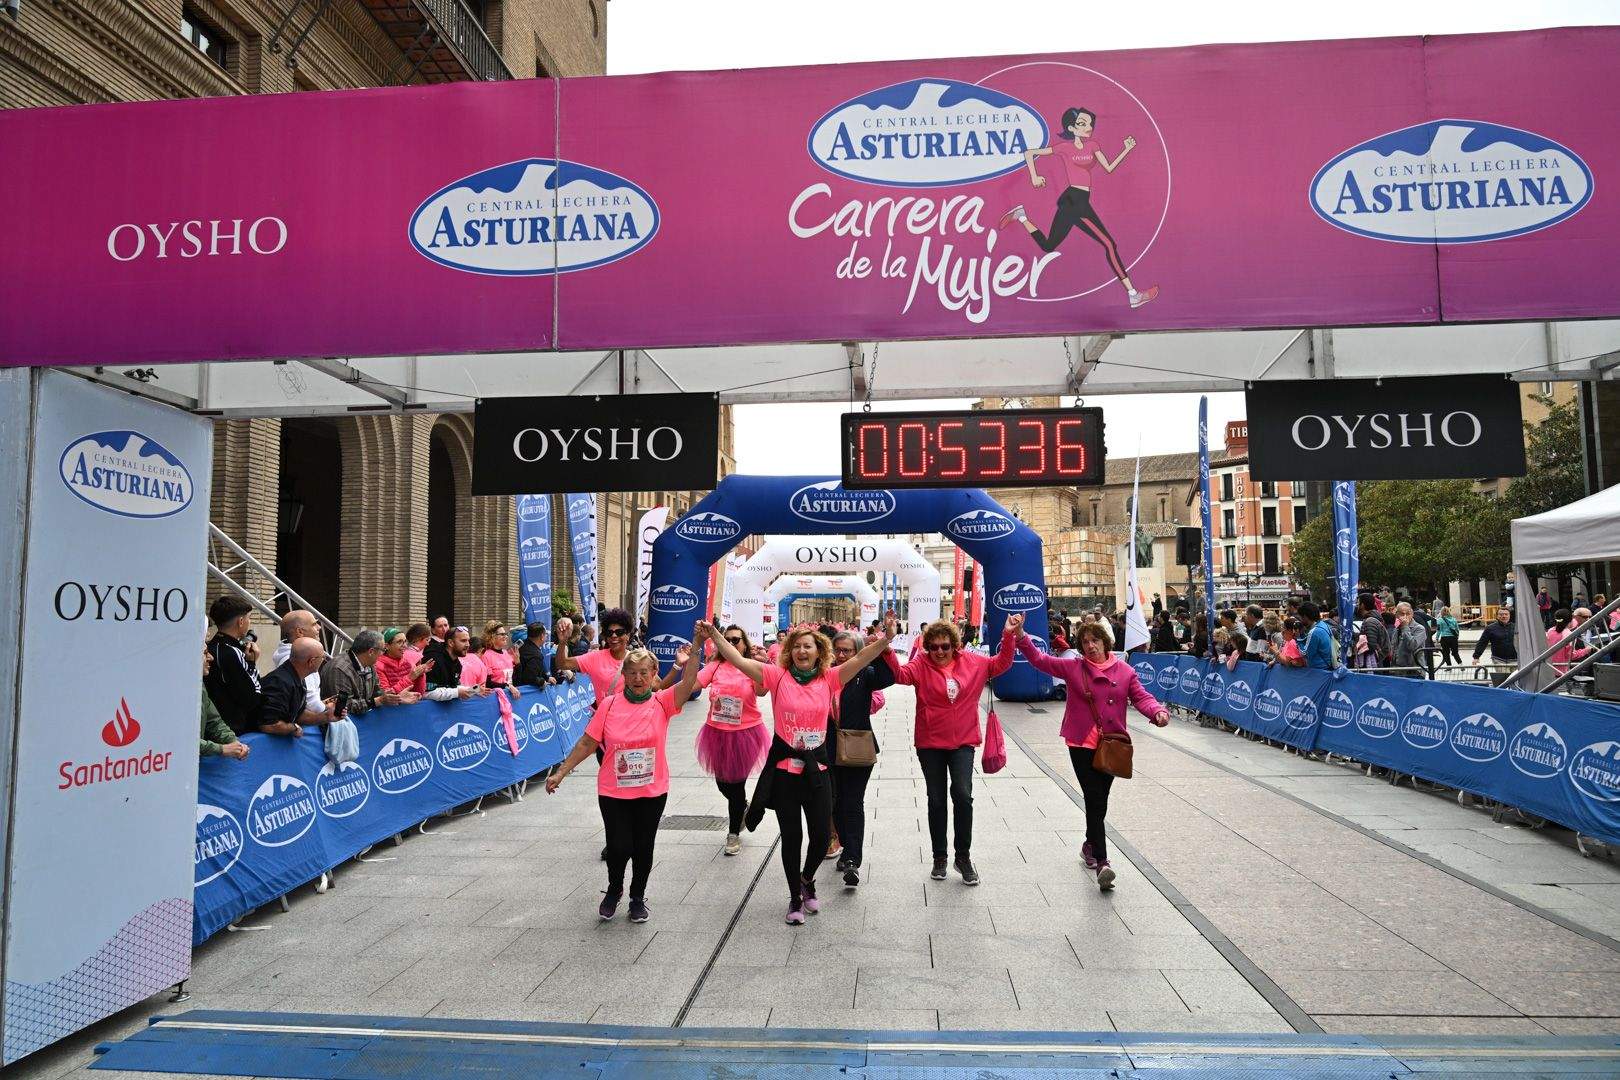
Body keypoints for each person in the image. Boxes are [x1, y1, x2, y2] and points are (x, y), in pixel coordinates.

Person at [708, 617, 896, 924]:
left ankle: (807, 878)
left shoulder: (830, 678)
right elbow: (737, 659)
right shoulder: (776, 676)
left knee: (821, 836)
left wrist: (886, 639)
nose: (801, 651)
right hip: (785, 771)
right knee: (792, 837)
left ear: (819, 651)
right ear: (788, 652)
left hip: (817, 768)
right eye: (796, 646)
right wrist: (715, 634)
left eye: (807, 646)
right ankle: (795, 896)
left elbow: (862, 657)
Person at [544, 629, 705, 924]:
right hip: (614, 790)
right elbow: (587, 742)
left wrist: (696, 647)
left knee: (644, 847)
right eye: (632, 673)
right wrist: (561, 772)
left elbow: (690, 683)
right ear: (624, 675)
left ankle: (636, 897)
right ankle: (615, 888)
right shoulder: (608, 704)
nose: (638, 678)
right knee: (618, 847)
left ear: (654, 674)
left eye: (644, 673)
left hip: (652, 790)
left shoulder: (662, 702)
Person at [1014, 619, 1167, 890]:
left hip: (1112, 744)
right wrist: (1021, 634)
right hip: (1081, 742)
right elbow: (1039, 659)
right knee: (1094, 798)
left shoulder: (1125, 671)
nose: (1090, 645)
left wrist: (1156, 712)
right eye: (1085, 642)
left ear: (1105, 642)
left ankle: (1089, 843)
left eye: (1095, 640)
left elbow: (1141, 696)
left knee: (1100, 801)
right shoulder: (1074, 667)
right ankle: (1103, 862)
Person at [883, 614, 1017, 888]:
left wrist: (1008, 635)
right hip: (930, 742)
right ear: (927, 647)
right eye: (934, 647)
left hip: (963, 741)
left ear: (955, 645)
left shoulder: (973, 663)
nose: (939, 652)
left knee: (963, 795)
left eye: (945, 646)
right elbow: (899, 674)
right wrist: (886, 643)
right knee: (936, 800)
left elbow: (1001, 664)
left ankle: (963, 857)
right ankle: (940, 856)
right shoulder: (920, 664)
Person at [1000, 106, 1158, 309]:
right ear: (1071, 128)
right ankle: (1133, 295)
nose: (1088, 128)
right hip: (1074, 200)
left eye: (1090, 124)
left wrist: (1126, 149)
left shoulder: (1093, 145)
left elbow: (1109, 168)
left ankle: (1021, 216)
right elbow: (1029, 153)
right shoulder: (1064, 148)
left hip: (1079, 201)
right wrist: (1034, 176)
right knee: (1109, 244)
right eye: (1082, 124)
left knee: (1048, 246)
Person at [693, 625, 771, 857]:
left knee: (735, 785)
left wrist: (764, 664)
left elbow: (762, 691)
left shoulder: (749, 666)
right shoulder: (714, 666)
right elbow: (693, 685)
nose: (730, 643)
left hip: (746, 734)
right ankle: (744, 808)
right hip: (716, 733)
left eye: (736, 640)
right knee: (723, 784)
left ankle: (733, 833)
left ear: (745, 644)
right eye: (726, 639)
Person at [829, 629, 896, 889]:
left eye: (848, 650)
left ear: (858, 653)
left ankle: (852, 861)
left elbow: (888, 677)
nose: (842, 655)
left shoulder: (865, 674)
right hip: (826, 747)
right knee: (833, 801)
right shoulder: (824, 674)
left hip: (857, 746)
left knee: (853, 801)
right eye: (839, 650)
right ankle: (846, 846)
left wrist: (880, 648)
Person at [205, 595, 264, 736]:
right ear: (241, 621)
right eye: (249, 618)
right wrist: (251, 663)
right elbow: (252, 698)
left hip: (215, 726)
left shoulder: (210, 647)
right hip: (235, 730)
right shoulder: (232, 652)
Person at [321, 629, 413, 714]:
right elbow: (342, 705)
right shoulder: (339, 669)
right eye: (383, 650)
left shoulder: (370, 664)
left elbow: (378, 692)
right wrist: (377, 701)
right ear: (371, 652)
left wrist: (397, 698)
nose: (383, 654)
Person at [260, 639, 334, 736]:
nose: (324, 659)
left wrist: (326, 716)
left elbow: (299, 714)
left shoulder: (297, 678)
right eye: (322, 657)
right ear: (311, 661)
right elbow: (269, 724)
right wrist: (293, 728)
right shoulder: (280, 682)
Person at [199, 646, 249, 761]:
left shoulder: (200, 686)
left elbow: (214, 721)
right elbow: (183, 741)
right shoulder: (177, 692)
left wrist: (234, 742)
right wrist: (221, 749)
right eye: (205, 653)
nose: (211, 658)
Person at [423, 627, 491, 699]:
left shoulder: (457, 664)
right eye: (463, 641)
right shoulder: (434, 659)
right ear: (451, 643)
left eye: (468, 641)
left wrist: (475, 689)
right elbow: (428, 693)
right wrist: (457, 693)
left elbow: (454, 687)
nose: (468, 645)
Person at [376, 628, 432, 695]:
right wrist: (409, 678)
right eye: (399, 642)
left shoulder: (408, 662)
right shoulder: (379, 666)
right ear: (387, 646)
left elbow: (419, 693)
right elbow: (387, 695)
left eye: (405, 641)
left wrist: (420, 674)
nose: (405, 646)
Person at [477, 620, 520, 696]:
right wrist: (507, 686)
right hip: (495, 698)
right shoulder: (486, 655)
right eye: (502, 634)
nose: (506, 637)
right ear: (492, 636)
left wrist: (517, 664)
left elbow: (515, 678)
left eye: (506, 634)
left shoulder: (506, 653)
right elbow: (487, 683)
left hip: (510, 697)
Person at [1545, 609, 1590, 675]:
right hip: (1561, 671)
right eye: (1585, 617)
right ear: (1570, 620)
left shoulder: (1550, 631)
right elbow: (1571, 655)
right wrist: (1586, 650)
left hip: (1549, 668)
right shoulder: (1568, 634)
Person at [1392, 602, 1430, 677]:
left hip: (1414, 671)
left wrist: (1405, 628)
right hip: (1399, 670)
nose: (1405, 617)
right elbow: (1394, 648)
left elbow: (1412, 645)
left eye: (1408, 613)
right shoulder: (1397, 629)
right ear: (1397, 615)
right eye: (1402, 614)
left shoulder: (1419, 629)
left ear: (1412, 614)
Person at [515, 622, 558, 687]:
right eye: (545, 634)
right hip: (523, 691)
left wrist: (547, 678)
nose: (547, 636)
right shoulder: (536, 655)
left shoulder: (521, 645)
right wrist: (541, 682)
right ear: (542, 636)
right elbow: (529, 677)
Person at [1298, 602, 1335, 671]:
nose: (1300, 620)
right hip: (1328, 668)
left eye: (1301, 617)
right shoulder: (1323, 625)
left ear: (1305, 616)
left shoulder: (1314, 632)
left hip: (1319, 671)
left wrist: (1298, 638)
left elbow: (1304, 653)